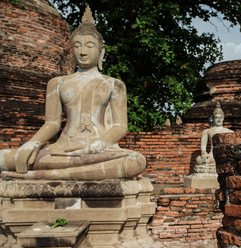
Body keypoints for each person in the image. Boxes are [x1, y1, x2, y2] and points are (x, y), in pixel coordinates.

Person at [0, 6, 146, 181]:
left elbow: (120, 127)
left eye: (89, 46)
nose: (82, 51)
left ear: (102, 52)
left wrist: (95, 146)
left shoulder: (114, 84)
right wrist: (32, 143)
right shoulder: (57, 83)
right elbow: (52, 124)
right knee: (4, 158)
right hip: (62, 149)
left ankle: (44, 176)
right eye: (77, 46)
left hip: (99, 149)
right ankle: (60, 174)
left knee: (136, 161)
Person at [194, 102, 233, 173]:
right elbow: (203, 147)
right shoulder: (207, 131)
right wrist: (204, 153)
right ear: (213, 118)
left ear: (223, 118)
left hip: (225, 156)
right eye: (216, 117)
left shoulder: (229, 132)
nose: (219, 120)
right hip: (212, 156)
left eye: (221, 117)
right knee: (199, 160)